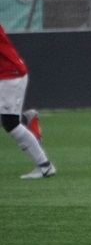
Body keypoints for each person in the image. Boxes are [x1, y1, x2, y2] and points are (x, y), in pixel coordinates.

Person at [0, 24, 55, 179]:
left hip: (10, 75)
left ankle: (45, 166)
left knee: (10, 124)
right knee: (8, 120)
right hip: (7, 73)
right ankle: (25, 120)